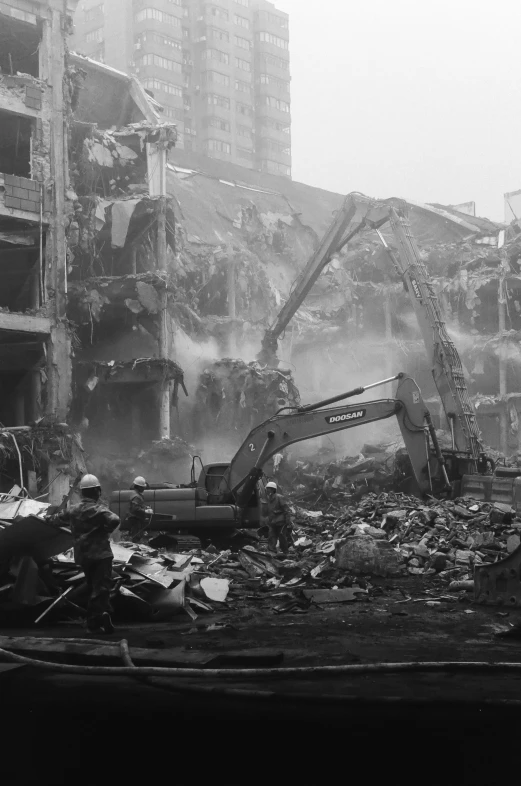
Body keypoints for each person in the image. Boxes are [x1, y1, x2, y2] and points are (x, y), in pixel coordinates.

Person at [50, 473, 120, 634]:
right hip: (101, 554)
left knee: (92, 585)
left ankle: (102, 614)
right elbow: (115, 519)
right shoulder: (99, 510)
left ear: (82, 492)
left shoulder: (73, 510)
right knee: (101, 587)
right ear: (98, 491)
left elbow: (55, 519)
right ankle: (94, 622)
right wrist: (105, 530)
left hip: (83, 555)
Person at [262, 481, 293, 555]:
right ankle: (272, 552)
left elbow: (287, 509)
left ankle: (285, 552)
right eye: (267, 489)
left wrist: (287, 521)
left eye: (269, 489)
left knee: (282, 537)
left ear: (273, 490)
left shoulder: (279, 497)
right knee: (271, 537)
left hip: (281, 522)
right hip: (272, 522)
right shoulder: (268, 499)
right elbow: (268, 512)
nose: (267, 490)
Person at [122, 476, 153, 541]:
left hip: (136, 519)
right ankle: (133, 548)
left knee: (136, 535)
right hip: (135, 519)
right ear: (139, 487)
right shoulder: (136, 496)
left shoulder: (136, 494)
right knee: (136, 536)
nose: (144, 488)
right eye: (143, 487)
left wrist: (145, 507)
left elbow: (139, 505)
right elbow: (135, 509)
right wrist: (145, 511)